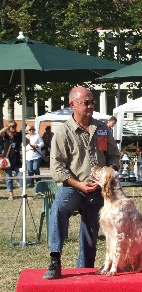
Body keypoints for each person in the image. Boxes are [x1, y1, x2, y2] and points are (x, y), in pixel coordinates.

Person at [43, 86, 120, 279]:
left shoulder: (102, 128)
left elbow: (113, 157)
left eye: (92, 101)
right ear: (73, 105)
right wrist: (78, 184)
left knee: (90, 234)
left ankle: (83, 273)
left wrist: (109, 176)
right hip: (73, 187)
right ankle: (55, 260)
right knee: (59, 208)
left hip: (99, 190)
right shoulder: (63, 133)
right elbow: (57, 168)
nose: (91, 106)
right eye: (86, 102)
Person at [0, 121, 23, 200]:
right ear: (8, 127)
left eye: (14, 126)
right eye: (11, 126)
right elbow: (1, 132)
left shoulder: (18, 135)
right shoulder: (6, 135)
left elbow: (27, 141)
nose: (13, 127)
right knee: (8, 177)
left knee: (21, 176)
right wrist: (8, 126)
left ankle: (23, 193)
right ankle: (11, 194)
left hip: (16, 159)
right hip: (7, 160)